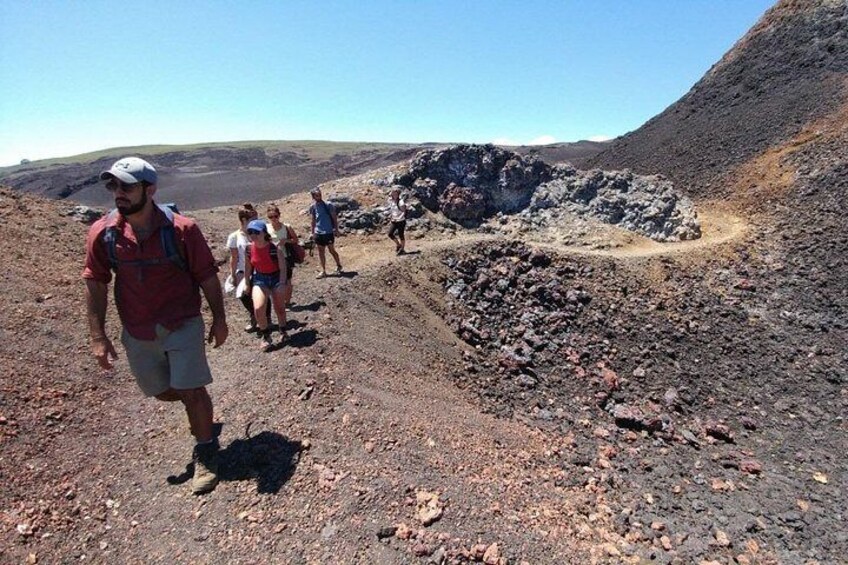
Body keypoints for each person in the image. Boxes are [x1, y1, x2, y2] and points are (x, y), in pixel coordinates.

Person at [82, 156, 227, 495]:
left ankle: (206, 449)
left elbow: (206, 275)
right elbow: (96, 282)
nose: (118, 192)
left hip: (182, 322)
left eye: (127, 186)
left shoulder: (182, 230)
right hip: (138, 329)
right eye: (113, 185)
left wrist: (219, 318)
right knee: (160, 390)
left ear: (150, 189)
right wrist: (97, 335)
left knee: (191, 390)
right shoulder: (103, 234)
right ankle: (199, 405)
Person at [243, 220, 288, 351]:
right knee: (258, 308)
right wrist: (246, 282)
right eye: (250, 232)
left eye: (256, 232)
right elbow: (248, 266)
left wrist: (282, 282)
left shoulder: (275, 249)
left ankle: (283, 331)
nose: (253, 235)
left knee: (279, 308)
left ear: (264, 233)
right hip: (260, 279)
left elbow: (283, 268)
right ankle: (266, 336)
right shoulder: (248, 248)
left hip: (275, 278)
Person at [266, 204, 297, 308]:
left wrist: (286, 241)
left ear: (279, 215)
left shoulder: (286, 227)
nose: (273, 219)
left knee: (287, 280)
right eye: (271, 217)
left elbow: (295, 240)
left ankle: (287, 302)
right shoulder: (266, 228)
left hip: (285, 257)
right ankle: (278, 301)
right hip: (272, 258)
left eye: (275, 216)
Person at [308, 187, 343, 279]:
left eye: (319, 194)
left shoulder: (328, 205)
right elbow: (313, 221)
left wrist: (336, 229)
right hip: (318, 233)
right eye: (316, 195)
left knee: (331, 250)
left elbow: (334, 218)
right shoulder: (313, 207)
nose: (319, 196)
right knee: (321, 252)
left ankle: (338, 265)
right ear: (313, 196)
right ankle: (323, 271)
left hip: (328, 232)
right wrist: (312, 232)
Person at [386, 187, 408, 255]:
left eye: (395, 193)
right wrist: (391, 216)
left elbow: (404, 212)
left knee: (401, 235)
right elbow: (392, 210)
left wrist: (399, 218)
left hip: (401, 221)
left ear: (398, 194)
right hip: (394, 220)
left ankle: (402, 249)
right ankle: (398, 245)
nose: (393, 194)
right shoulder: (391, 201)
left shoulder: (401, 202)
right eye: (392, 193)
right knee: (390, 234)